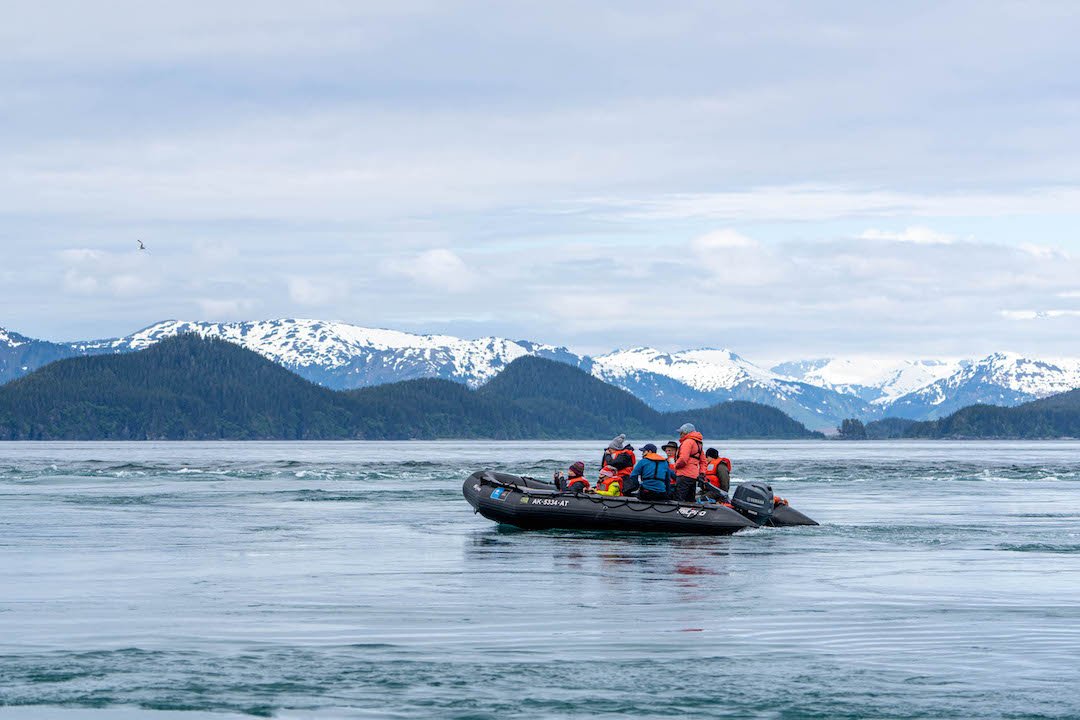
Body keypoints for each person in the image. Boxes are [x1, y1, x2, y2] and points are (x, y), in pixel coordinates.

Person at [674, 423, 704, 502]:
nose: (680, 435)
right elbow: (703, 461)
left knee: (679, 499)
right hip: (693, 476)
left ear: (686, 432)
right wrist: (702, 473)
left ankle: (679, 509)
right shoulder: (698, 443)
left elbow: (683, 459)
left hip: (683, 475)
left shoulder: (687, 442)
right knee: (690, 499)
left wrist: (675, 466)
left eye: (681, 432)